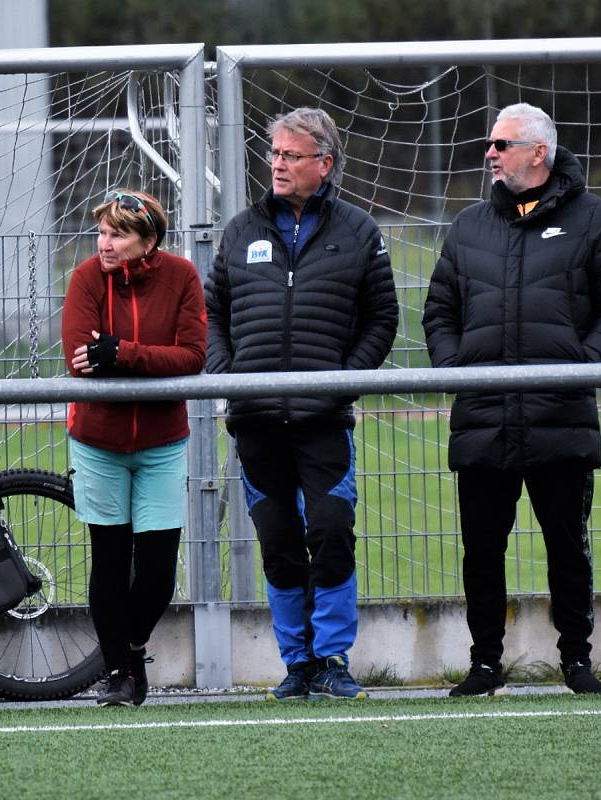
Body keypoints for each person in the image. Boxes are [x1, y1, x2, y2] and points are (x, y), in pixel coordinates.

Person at [423, 103, 601, 696]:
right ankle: (484, 664)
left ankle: (576, 660)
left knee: (568, 546)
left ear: (538, 152)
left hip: (559, 417)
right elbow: (439, 310)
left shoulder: (590, 219)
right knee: (481, 552)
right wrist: (454, 369)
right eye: (489, 144)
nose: (489, 153)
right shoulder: (468, 225)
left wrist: (582, 366)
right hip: (482, 419)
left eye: (501, 143)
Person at [204, 107, 398, 700]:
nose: (279, 164)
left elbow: (381, 319)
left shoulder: (359, 231)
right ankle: (298, 663)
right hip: (255, 420)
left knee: (333, 530)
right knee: (279, 542)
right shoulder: (239, 231)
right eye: (275, 154)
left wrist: (344, 379)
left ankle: (332, 657)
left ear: (325, 163)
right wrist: (227, 376)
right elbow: (212, 315)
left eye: (291, 156)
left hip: (324, 420)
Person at [62, 189, 207, 706]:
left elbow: (191, 357)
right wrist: (135, 357)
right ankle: (122, 675)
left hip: (162, 441)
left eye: (118, 233)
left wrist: (121, 353)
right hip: (98, 440)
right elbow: (78, 358)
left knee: (157, 571)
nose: (105, 242)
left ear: (149, 241)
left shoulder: (183, 277)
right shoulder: (84, 279)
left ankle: (133, 645)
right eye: (102, 231)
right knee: (109, 558)